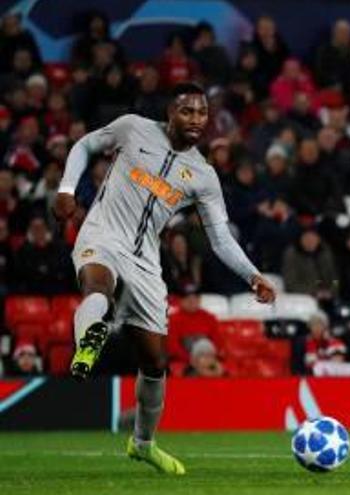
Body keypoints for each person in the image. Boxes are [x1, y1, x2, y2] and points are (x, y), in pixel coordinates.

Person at [55, 82, 276, 475]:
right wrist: (67, 188)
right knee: (97, 284)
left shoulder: (203, 175)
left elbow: (220, 237)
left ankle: (142, 444)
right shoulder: (132, 128)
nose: (195, 120)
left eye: (202, 113)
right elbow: (85, 145)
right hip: (102, 234)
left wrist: (252, 275)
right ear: (170, 112)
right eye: (187, 111)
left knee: (155, 363)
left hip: (146, 264)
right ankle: (88, 345)